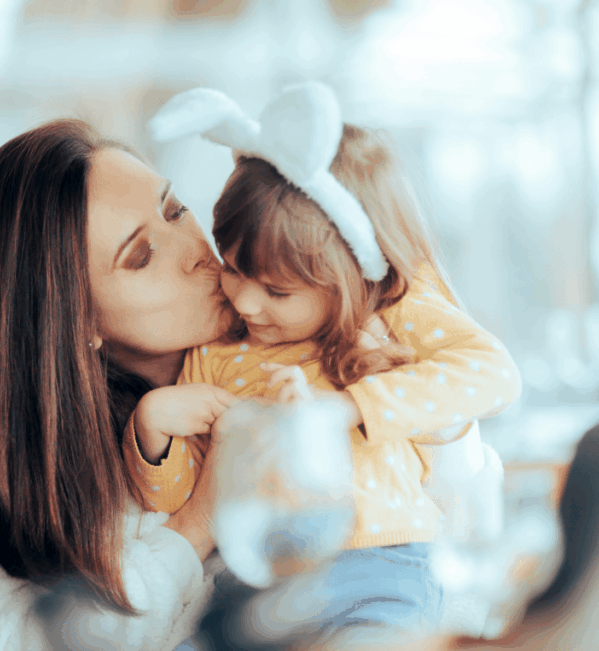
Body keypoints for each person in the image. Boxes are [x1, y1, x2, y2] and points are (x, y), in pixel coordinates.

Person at [125, 83, 521, 640]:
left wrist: (344, 408)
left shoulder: (382, 317)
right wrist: (154, 431)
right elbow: (185, 502)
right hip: (258, 581)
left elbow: (494, 375)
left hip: (385, 567)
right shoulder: (214, 356)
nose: (243, 301)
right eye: (235, 268)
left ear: (351, 277)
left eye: (277, 291)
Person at [0, 119, 243, 651]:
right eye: (142, 256)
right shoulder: (23, 451)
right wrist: (196, 526)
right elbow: (10, 643)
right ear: (77, 321)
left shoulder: (289, 357)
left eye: (174, 210)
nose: (197, 250)